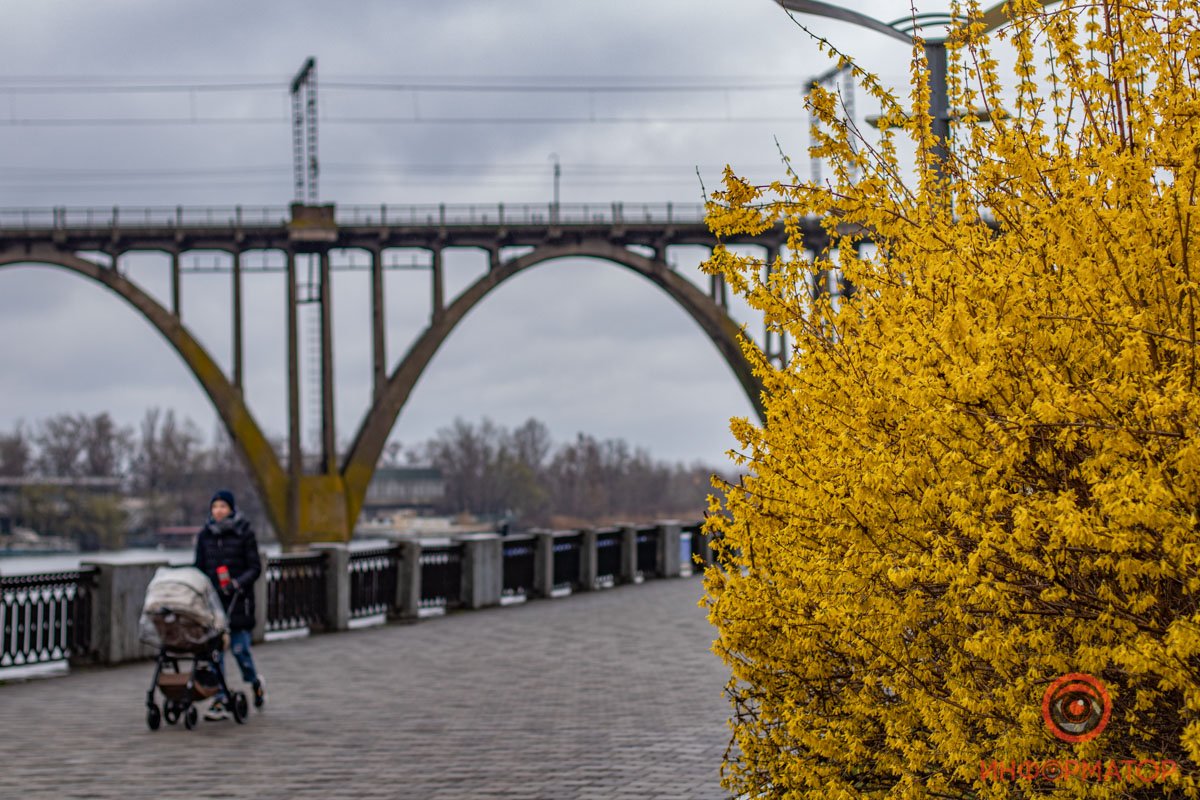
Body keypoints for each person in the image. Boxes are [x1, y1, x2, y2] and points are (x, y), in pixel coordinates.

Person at [194, 489, 266, 720]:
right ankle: (220, 698)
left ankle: (254, 682)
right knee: (215, 653)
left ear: (231, 509)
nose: (218, 511)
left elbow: (255, 568)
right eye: (215, 506)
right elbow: (199, 566)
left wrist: (237, 583)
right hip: (214, 603)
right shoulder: (205, 535)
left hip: (239, 600)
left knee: (240, 650)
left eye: (223, 506)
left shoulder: (244, 533)